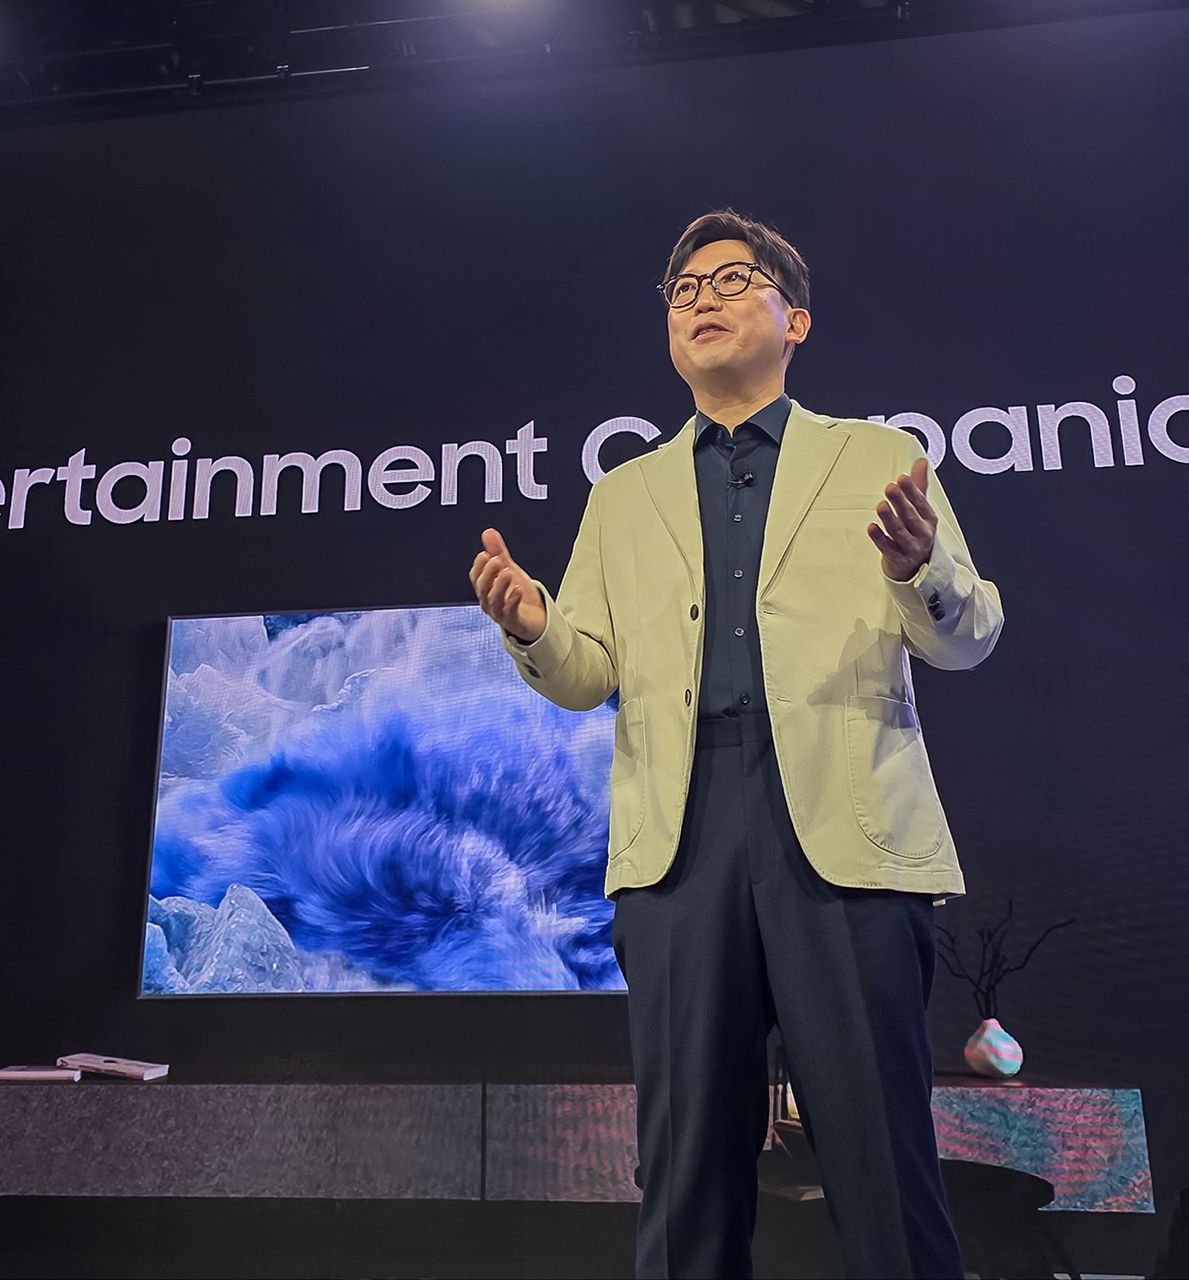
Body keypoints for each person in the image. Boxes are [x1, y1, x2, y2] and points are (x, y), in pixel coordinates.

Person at [467, 208, 1002, 1279]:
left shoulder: (878, 456)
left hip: (842, 831)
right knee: (684, 1174)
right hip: (680, 839)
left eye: (729, 280)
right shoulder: (624, 493)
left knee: (882, 1163)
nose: (700, 299)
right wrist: (533, 627)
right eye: (682, 290)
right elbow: (587, 673)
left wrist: (920, 568)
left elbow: (970, 632)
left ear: (794, 318)